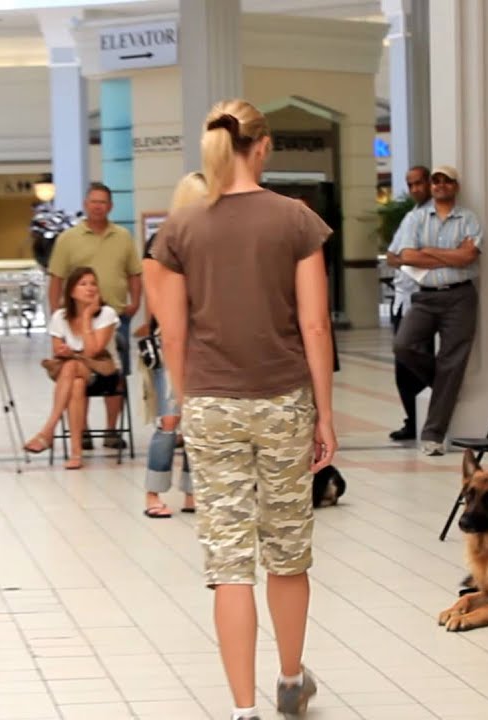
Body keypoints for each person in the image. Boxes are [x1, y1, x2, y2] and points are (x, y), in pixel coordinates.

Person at [145, 99, 336, 720]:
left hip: (210, 405)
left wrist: (186, 395)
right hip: (283, 402)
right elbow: (314, 324)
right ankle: (288, 680)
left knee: (229, 562)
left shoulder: (181, 229)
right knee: (286, 550)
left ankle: (241, 709)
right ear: (265, 146)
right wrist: (325, 415)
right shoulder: (296, 220)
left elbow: (171, 334)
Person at [388, 165, 484, 456]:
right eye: (436, 181)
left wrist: (428, 251)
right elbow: (405, 256)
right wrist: (450, 257)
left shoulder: (468, 218)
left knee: (453, 361)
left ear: (455, 186)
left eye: (446, 181)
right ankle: (444, 381)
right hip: (425, 297)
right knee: (403, 346)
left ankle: (433, 435)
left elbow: (468, 256)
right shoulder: (416, 217)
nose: (440, 185)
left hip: (460, 297)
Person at [47, 183, 142, 451]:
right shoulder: (68, 238)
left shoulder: (123, 236)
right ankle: (83, 430)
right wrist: (57, 311)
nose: (98, 206)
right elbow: (56, 278)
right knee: (80, 369)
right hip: (76, 318)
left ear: (110, 207)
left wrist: (136, 303)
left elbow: (135, 273)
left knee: (116, 372)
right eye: (93, 201)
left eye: (103, 202)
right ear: (86, 204)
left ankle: (112, 430)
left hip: (115, 316)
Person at [138, 172, 205, 519]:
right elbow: (158, 301)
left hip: (206, 338)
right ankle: (153, 492)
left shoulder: (211, 241)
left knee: (196, 418)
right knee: (170, 419)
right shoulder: (161, 243)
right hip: (170, 340)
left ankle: (192, 491)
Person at [24, 266, 121, 470]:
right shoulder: (60, 317)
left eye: (93, 284)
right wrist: (64, 351)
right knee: (74, 379)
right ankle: (76, 453)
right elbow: (56, 350)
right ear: (71, 291)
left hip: (103, 373)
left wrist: (87, 317)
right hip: (73, 375)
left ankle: (48, 430)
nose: (90, 288)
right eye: (83, 284)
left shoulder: (107, 314)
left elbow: (94, 351)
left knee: (72, 368)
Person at [383, 165, 433, 441]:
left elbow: (423, 256)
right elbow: (393, 256)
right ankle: (412, 420)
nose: (415, 189)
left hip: (421, 300)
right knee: (402, 367)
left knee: (414, 360)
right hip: (401, 300)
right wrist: (407, 257)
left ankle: (423, 418)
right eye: (410, 184)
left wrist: (410, 257)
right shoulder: (411, 216)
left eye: (419, 183)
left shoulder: (434, 218)